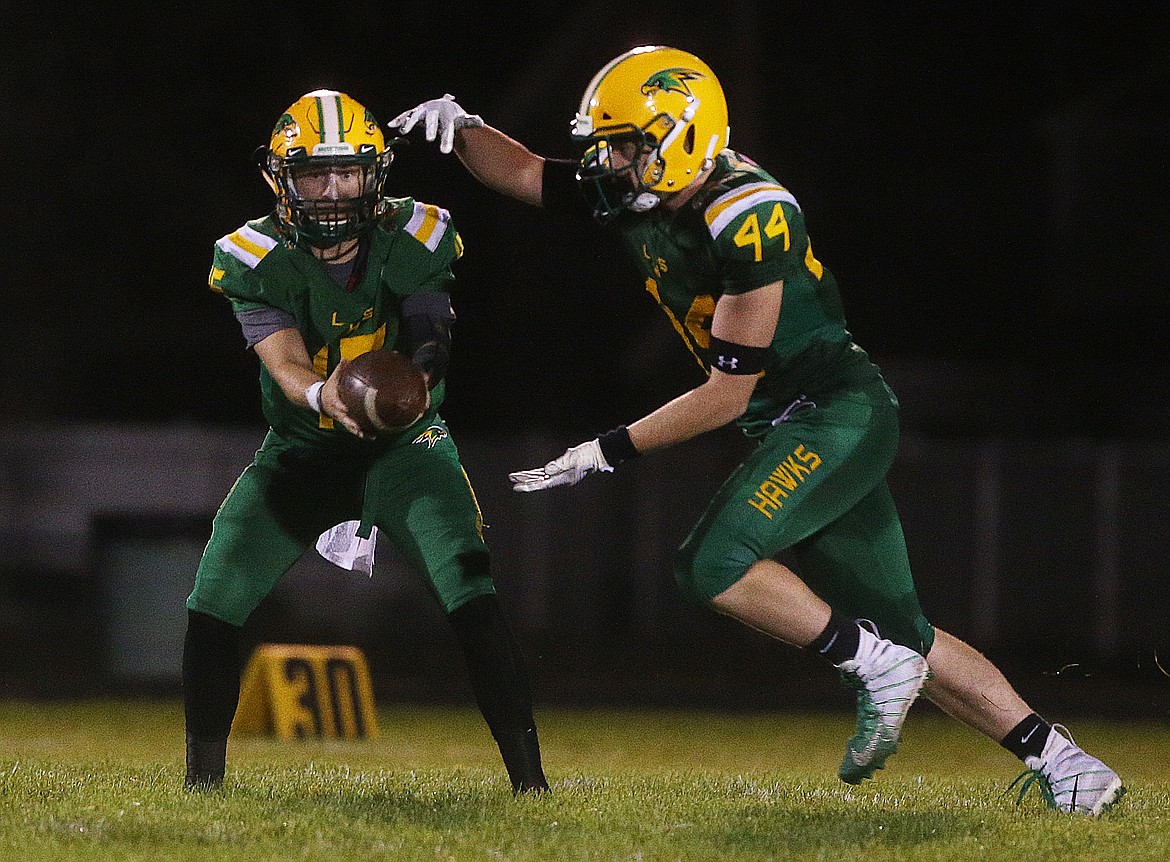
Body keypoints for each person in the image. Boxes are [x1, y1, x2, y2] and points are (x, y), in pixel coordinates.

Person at [388, 47, 1124, 815]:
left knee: (712, 564)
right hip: (796, 421)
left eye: (626, 144)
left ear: (680, 139)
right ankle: (1069, 765)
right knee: (910, 635)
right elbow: (528, 173)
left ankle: (869, 664)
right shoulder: (639, 192)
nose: (607, 160)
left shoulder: (748, 213)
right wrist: (463, 127)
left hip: (833, 412)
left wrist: (605, 450)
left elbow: (728, 395)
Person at [183, 89, 549, 795]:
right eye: (313, 173)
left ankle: (530, 786)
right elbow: (286, 364)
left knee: (472, 595)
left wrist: (408, 388)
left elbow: (430, 335)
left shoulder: (414, 235)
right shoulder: (254, 255)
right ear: (280, 179)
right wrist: (326, 394)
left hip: (409, 450)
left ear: (372, 175)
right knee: (214, 597)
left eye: (345, 172)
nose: (329, 190)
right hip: (304, 451)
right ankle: (203, 784)